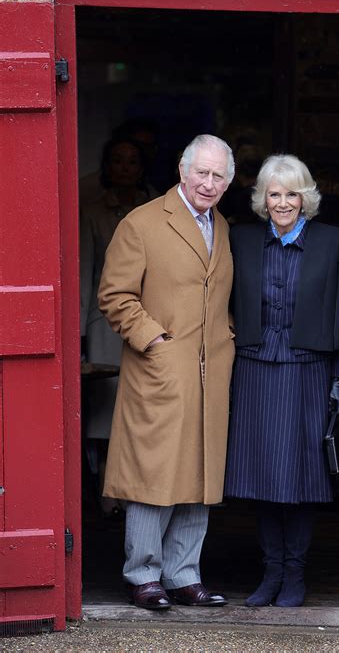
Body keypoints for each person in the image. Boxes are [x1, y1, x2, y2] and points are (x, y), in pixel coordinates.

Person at [98, 134, 236, 611]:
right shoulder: (141, 223)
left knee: (198, 473)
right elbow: (115, 296)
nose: (209, 183)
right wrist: (154, 341)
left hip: (210, 370)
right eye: (202, 172)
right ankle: (143, 574)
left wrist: (227, 336)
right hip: (160, 369)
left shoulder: (222, 225)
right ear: (182, 169)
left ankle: (184, 575)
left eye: (219, 176)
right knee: (152, 473)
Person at [224, 154, 339, 607]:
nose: (283, 202)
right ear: (262, 199)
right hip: (253, 367)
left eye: (291, 193)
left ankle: (295, 574)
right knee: (261, 475)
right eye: (274, 193)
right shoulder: (240, 240)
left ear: (306, 198)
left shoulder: (333, 241)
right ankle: (270, 573)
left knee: (302, 477)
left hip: (309, 370)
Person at [80, 137, 157, 519]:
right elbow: (84, 275)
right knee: (106, 415)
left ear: (142, 168)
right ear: (107, 168)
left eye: (132, 161)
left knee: (147, 412)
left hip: (153, 322)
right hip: (104, 325)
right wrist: (78, 334)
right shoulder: (92, 214)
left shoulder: (161, 209)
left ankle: (142, 496)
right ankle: (108, 496)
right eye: (117, 161)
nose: (125, 168)